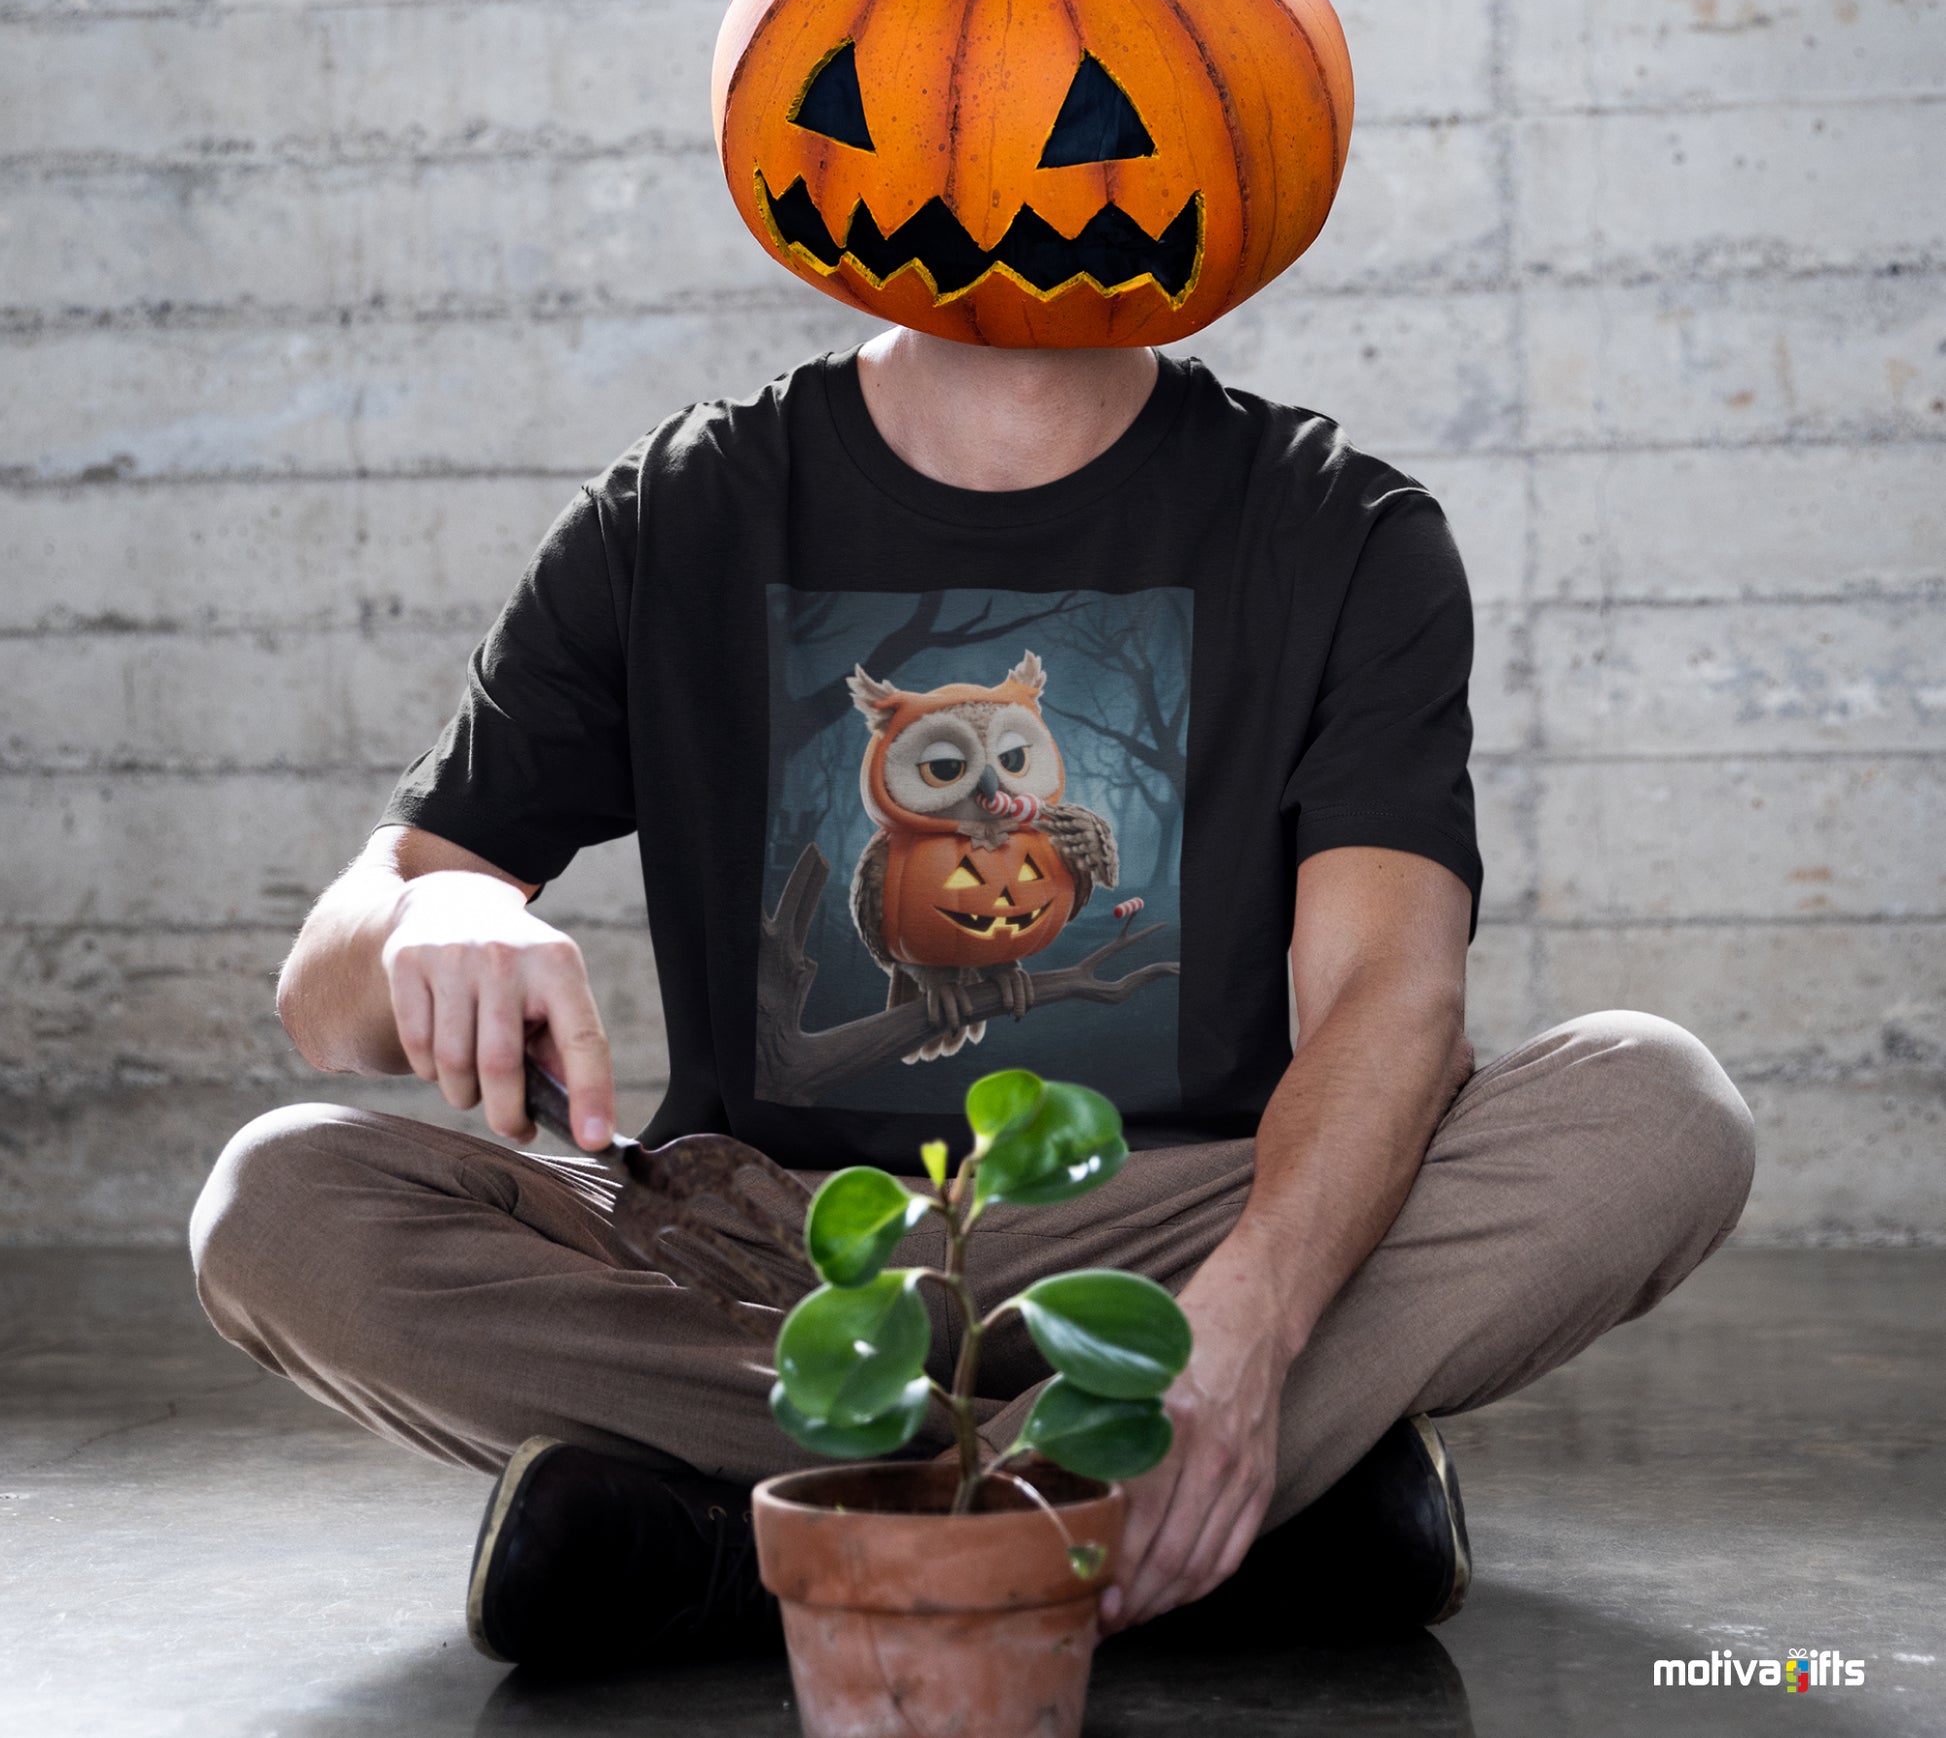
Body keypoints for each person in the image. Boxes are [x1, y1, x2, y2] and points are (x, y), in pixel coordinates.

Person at [189, 328, 1755, 1669]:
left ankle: (743, 1550)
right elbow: (328, 1002)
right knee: (278, 1203)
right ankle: (1179, 1518)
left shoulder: (1334, 523)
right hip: (767, 1251)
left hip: (1181, 1233)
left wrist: (1248, 1315)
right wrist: (439, 896)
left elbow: (1391, 994)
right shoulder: (682, 507)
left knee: (1653, 1105)